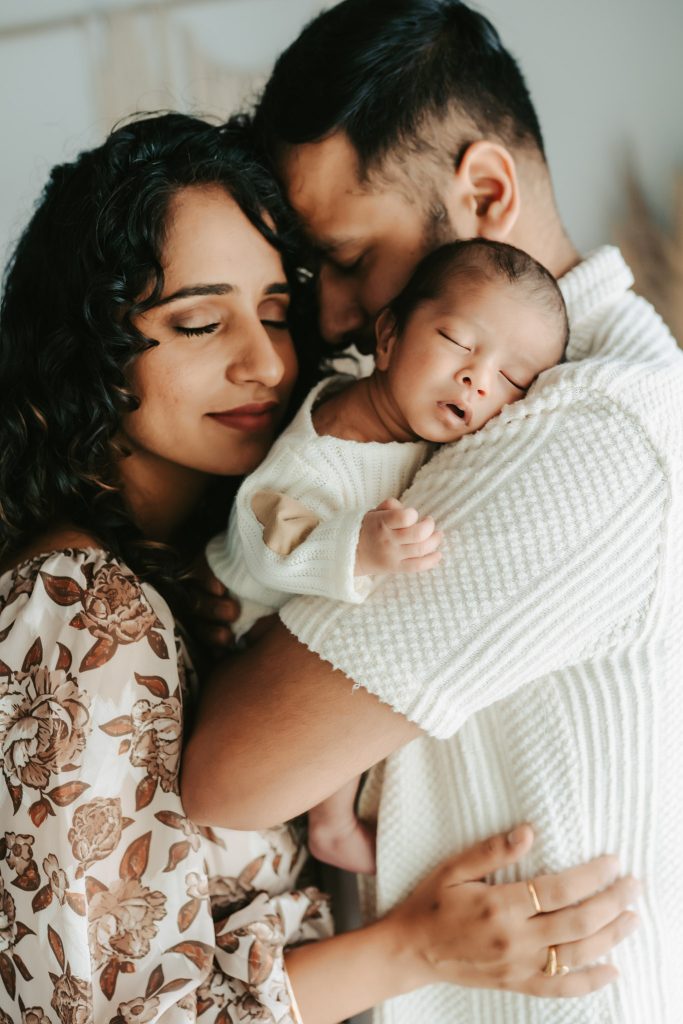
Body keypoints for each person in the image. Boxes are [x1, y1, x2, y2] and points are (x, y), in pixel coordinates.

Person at [0, 112, 631, 1024]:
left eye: (273, 314)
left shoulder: (197, 569)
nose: (262, 362)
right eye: (200, 322)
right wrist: (415, 947)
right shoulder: (81, 610)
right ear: (88, 341)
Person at [181, 2, 683, 1022]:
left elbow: (229, 770)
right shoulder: (479, 412)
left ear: (485, 190)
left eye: (355, 259)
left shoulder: (588, 435)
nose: (327, 318)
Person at [204, 239, 569, 875]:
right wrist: (358, 546)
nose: (478, 378)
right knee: (343, 671)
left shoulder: (408, 423)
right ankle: (331, 823)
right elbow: (265, 538)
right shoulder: (331, 446)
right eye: (458, 341)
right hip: (239, 623)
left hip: (294, 628)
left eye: (514, 379)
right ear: (390, 335)